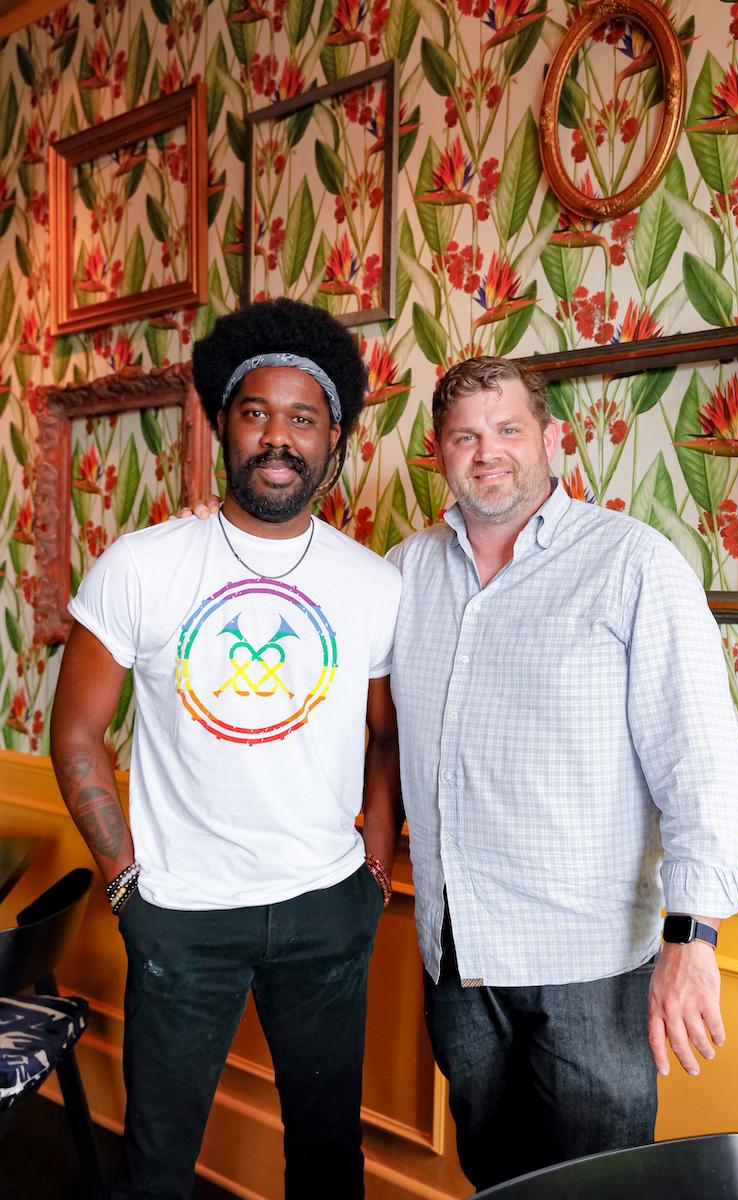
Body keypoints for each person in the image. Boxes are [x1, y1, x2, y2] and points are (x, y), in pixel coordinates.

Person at [385, 355, 738, 1192]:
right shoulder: (404, 573)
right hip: (458, 957)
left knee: (599, 1191)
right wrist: (225, 536)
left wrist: (694, 937)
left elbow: (701, 758)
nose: (488, 452)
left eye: (508, 429)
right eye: (465, 436)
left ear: (551, 437)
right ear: (439, 454)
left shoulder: (632, 563)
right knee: (495, 1182)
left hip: (592, 965)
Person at [50, 297, 402, 1200]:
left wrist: (373, 868)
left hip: (327, 911)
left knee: (328, 1160)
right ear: (221, 428)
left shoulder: (371, 584)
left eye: (302, 419)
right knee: (158, 1167)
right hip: (181, 917)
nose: (277, 438)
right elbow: (77, 731)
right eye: (256, 414)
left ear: (335, 441)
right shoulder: (142, 565)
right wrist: (126, 881)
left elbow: (386, 737)